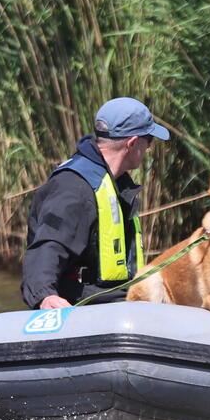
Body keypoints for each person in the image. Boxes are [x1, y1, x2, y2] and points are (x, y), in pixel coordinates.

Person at [21, 96, 170, 309]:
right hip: (85, 305)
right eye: (149, 141)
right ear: (133, 143)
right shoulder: (74, 187)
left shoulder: (115, 183)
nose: (149, 149)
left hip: (116, 301)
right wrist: (44, 295)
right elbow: (49, 244)